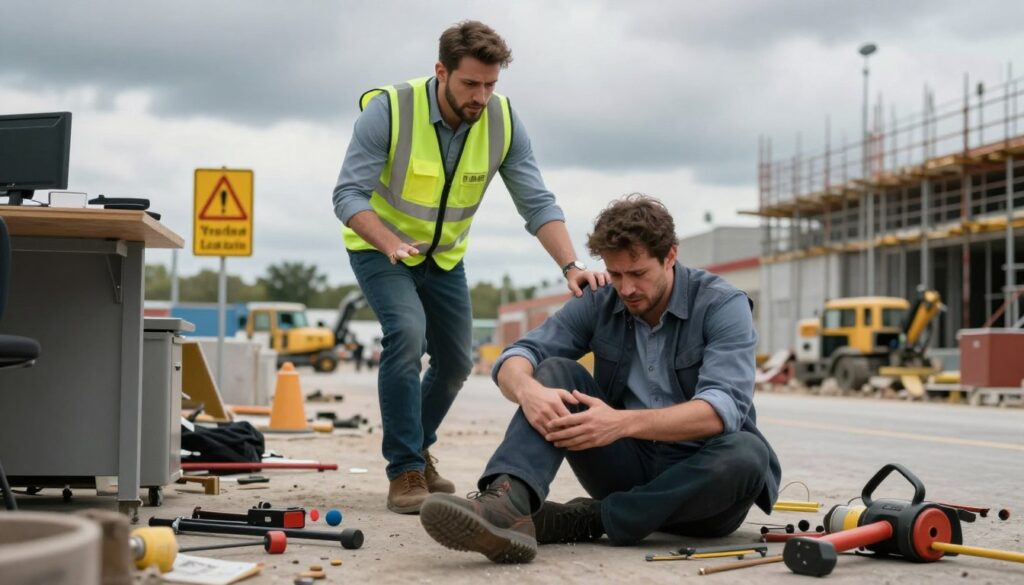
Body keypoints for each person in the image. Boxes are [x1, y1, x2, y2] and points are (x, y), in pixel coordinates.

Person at [332, 20, 607, 514]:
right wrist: (390, 242)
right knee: (407, 334)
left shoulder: (501, 121)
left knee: (458, 360)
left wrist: (571, 264)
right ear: (441, 71)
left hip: (444, 257)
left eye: (491, 84)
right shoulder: (389, 111)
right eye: (470, 84)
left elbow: (536, 202)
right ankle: (405, 470)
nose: (481, 96)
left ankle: (417, 448)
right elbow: (347, 195)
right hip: (381, 249)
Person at [419, 195, 781, 563]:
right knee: (554, 373)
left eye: (638, 274)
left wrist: (619, 423)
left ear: (670, 255)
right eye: (616, 274)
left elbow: (720, 412)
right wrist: (528, 392)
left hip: (703, 491)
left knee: (749, 454)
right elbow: (518, 356)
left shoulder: (722, 305)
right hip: (624, 466)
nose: (626, 289)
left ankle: (588, 519)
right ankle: (508, 505)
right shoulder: (602, 300)